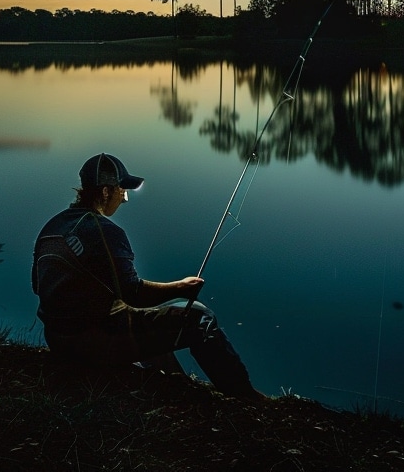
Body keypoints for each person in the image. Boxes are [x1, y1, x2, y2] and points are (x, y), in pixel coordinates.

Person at [32, 152, 261, 399]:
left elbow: (38, 287)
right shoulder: (106, 231)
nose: (124, 199)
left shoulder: (53, 226)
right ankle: (244, 396)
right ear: (106, 192)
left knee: (145, 320)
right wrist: (180, 287)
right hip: (89, 345)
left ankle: (173, 383)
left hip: (57, 339)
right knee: (199, 318)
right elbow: (134, 294)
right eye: (122, 190)